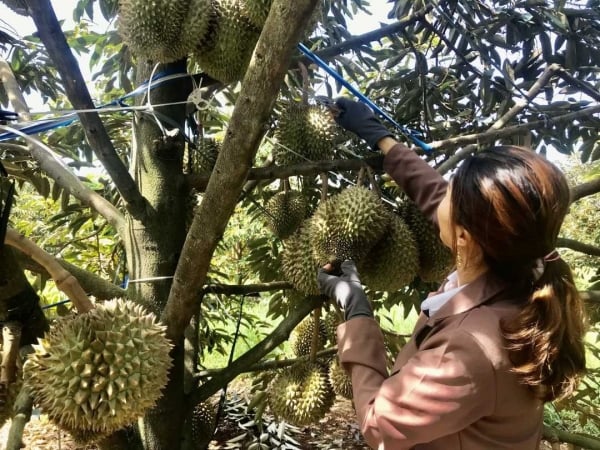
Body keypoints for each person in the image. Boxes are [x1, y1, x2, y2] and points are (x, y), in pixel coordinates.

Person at [317, 98, 587, 449]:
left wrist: (357, 312)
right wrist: (379, 137)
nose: (442, 194)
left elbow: (378, 422)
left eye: (452, 194)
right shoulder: (523, 269)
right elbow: (436, 193)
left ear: (464, 235)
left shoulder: (469, 348)